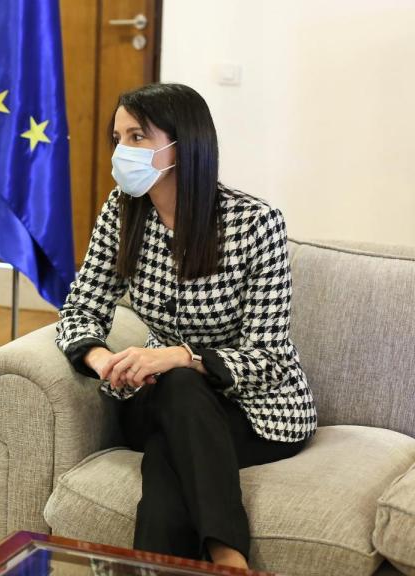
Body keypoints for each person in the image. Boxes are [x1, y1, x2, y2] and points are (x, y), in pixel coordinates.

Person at [55, 83, 316, 569]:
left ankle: (204, 560)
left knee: (166, 457)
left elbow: (269, 357)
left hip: (255, 410)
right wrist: (102, 359)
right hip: (158, 396)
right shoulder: (121, 212)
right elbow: (80, 311)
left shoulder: (256, 223)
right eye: (118, 138)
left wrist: (180, 356)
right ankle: (229, 558)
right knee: (176, 394)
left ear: (182, 144)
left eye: (137, 137)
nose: (121, 152)